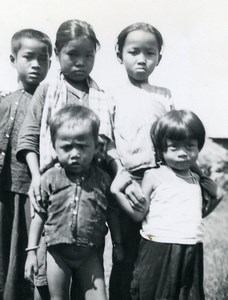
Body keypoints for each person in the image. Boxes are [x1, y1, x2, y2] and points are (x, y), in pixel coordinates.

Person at [16, 19, 123, 299]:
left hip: (90, 191)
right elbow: (28, 140)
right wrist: (37, 178)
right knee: (47, 272)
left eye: (88, 55)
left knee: (89, 263)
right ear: (59, 53)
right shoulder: (47, 90)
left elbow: (107, 145)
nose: (80, 62)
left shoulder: (102, 96)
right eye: (72, 54)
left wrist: (118, 172)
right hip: (52, 189)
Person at [111, 109, 223, 300]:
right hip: (158, 247)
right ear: (161, 149)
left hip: (190, 247)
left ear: (199, 147)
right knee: (154, 293)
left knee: (187, 294)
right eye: (174, 147)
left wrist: (210, 201)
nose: (183, 153)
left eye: (190, 146)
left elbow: (215, 197)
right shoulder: (154, 176)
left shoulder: (196, 179)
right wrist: (115, 192)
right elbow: (139, 214)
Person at [108, 22, 173, 300]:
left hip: (159, 183)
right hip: (126, 183)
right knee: (125, 256)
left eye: (150, 52)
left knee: (157, 251)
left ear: (159, 57)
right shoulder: (110, 95)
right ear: (119, 53)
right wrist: (121, 178)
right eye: (134, 51)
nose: (142, 59)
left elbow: (174, 137)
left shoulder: (164, 95)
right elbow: (107, 142)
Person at [24, 105, 113, 300]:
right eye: (66, 147)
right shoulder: (50, 178)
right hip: (57, 254)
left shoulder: (103, 180)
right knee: (57, 297)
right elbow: (38, 217)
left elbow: (112, 215)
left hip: (89, 254)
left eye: (82, 146)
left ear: (96, 147)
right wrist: (31, 253)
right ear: (55, 147)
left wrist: (119, 244)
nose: (74, 154)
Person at [0, 29, 52, 300]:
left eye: (42, 59)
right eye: (28, 57)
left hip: (32, 191)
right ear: (13, 59)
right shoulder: (4, 101)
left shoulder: (49, 101)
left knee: (29, 253)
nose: (35, 65)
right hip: (4, 191)